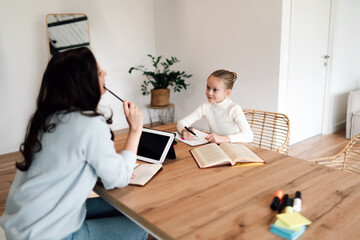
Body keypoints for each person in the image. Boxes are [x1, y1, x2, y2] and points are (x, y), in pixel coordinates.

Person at [0, 47, 148, 240]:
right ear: (83, 82)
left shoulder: (47, 118)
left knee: (130, 209)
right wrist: (135, 130)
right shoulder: (87, 123)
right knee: (141, 227)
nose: (105, 73)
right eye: (98, 71)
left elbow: (65, 166)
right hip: (48, 234)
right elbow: (120, 178)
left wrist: (96, 172)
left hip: (24, 225)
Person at [177, 69, 253, 144]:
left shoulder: (234, 109)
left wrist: (222, 139)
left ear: (227, 93)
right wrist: (184, 131)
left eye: (215, 90)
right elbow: (182, 122)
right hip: (216, 147)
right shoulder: (206, 107)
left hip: (235, 147)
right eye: (208, 87)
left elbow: (249, 136)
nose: (209, 93)